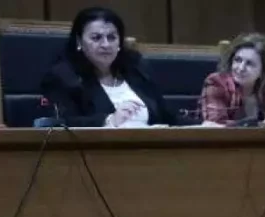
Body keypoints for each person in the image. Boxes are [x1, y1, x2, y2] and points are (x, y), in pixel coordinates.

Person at [40, 7, 194, 127]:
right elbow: (61, 123)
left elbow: (166, 116)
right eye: (96, 38)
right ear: (79, 42)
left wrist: (200, 126)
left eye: (112, 37)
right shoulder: (63, 77)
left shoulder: (136, 70)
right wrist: (109, 120)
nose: (106, 44)